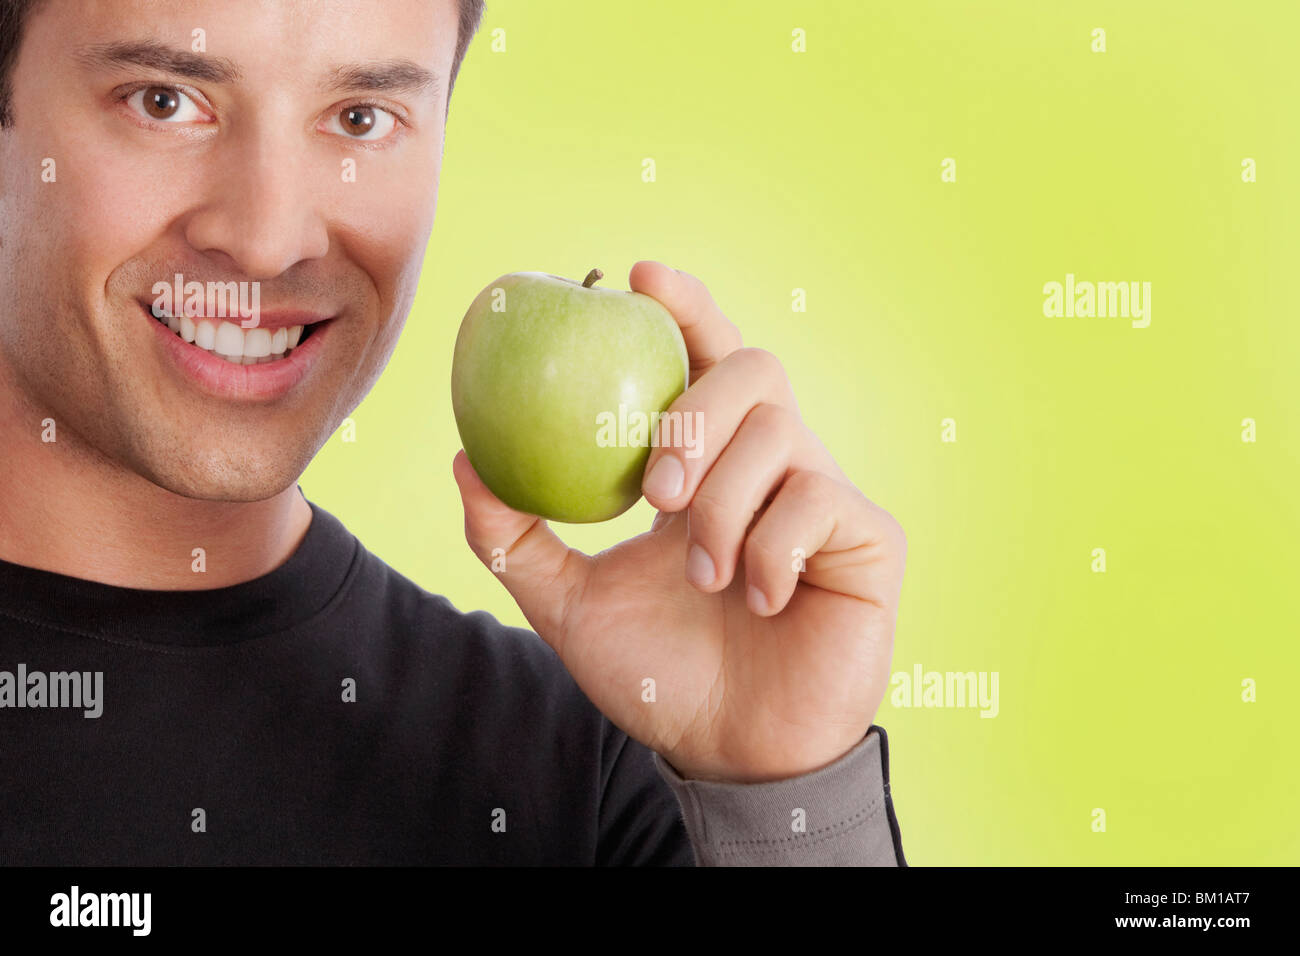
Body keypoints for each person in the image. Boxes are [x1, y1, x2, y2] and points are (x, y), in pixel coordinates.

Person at [0, 0, 908, 865]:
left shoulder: (601, 769)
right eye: (165, 102)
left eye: (361, 119)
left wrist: (787, 800)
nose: (269, 241)